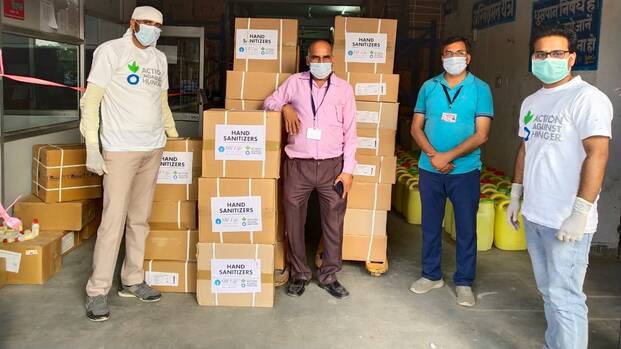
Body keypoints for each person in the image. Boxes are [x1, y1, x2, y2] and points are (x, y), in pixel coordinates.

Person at [506, 26, 612, 348]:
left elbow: (598, 153)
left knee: (566, 297)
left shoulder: (587, 98)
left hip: (567, 219)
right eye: (541, 54)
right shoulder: (531, 102)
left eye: (556, 54)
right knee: (549, 293)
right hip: (536, 214)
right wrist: (515, 194)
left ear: (571, 58)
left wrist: (580, 212)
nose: (547, 60)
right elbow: (525, 149)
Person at [80, 6, 178, 322]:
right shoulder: (111, 51)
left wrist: (171, 132)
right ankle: (97, 291)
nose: (153, 30)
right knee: (112, 221)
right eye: (147, 24)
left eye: (158, 26)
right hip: (120, 149)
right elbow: (90, 101)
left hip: (152, 148)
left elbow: (161, 101)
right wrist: (92, 147)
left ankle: (133, 280)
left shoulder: (159, 59)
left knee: (140, 220)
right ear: (133, 23)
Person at [263, 40, 357, 299]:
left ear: (333, 60)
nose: (321, 63)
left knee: (333, 222)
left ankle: (329, 275)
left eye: (326, 58)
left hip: (332, 166)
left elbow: (351, 133)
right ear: (307, 60)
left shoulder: (343, 89)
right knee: (294, 220)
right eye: (316, 58)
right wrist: (284, 106)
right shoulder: (294, 82)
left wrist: (348, 170)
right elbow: (267, 102)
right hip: (298, 165)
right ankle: (299, 274)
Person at [409, 36, 493, 307]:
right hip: (429, 169)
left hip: (465, 171)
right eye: (448, 53)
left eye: (459, 53)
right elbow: (415, 127)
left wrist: (449, 156)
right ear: (442, 57)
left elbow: (481, 134)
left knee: (466, 229)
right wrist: (435, 157)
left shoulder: (480, 89)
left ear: (468, 58)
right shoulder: (429, 87)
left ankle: (464, 281)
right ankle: (431, 274)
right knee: (431, 226)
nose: (453, 57)